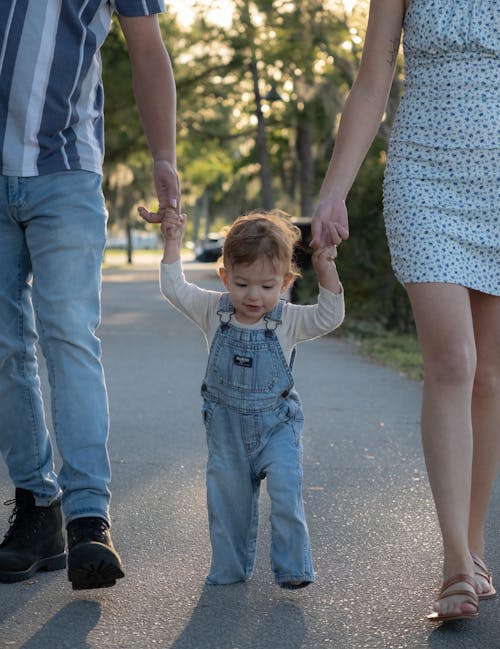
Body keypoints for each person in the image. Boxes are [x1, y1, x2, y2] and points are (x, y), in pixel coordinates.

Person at [312, 0, 499, 622]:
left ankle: (473, 549)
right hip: (425, 181)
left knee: (490, 377)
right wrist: (335, 189)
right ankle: (453, 563)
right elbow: (373, 81)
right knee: (453, 361)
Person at [0, 1, 179, 590]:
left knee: (69, 337)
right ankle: (36, 509)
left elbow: (148, 50)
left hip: (65, 171)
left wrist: (164, 159)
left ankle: (87, 517)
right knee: (4, 347)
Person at [143, 208, 344, 588]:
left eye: (267, 287)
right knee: (227, 505)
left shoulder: (288, 319)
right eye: (242, 284)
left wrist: (326, 271)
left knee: (286, 491)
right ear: (225, 277)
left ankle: (293, 568)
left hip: (276, 428)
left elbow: (328, 317)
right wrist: (172, 240)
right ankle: (230, 570)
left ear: (285, 282)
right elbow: (174, 288)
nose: (254, 296)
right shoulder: (212, 311)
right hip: (227, 433)